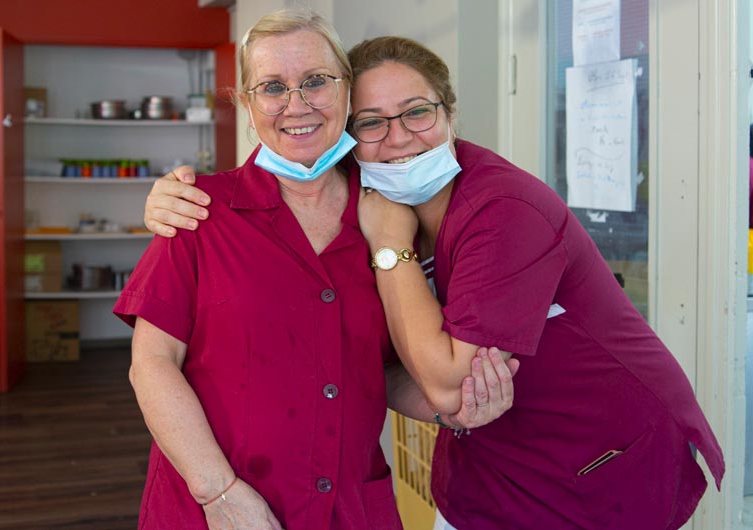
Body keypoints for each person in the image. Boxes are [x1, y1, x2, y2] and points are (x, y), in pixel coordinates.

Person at [146, 33, 726, 530]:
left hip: (600, 452)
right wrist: (165, 198)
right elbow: (379, 363)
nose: (397, 138)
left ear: (449, 112)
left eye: (418, 112)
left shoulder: (501, 210)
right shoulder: (354, 200)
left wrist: (391, 248)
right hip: (493, 458)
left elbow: (449, 381)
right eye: (371, 122)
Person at [116, 10, 518, 530]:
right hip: (214, 510)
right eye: (272, 87)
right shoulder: (199, 211)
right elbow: (151, 362)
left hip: (349, 509)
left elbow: (379, 367)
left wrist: (448, 408)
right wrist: (218, 493)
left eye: (314, 82)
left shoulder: (391, 223)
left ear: (347, 90)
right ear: (246, 103)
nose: (296, 105)